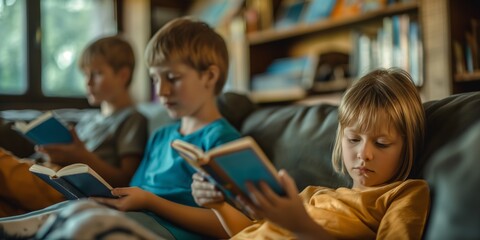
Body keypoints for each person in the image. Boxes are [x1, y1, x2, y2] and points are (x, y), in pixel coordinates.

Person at [0, 17, 241, 240]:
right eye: (155, 79)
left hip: (164, 232)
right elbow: (133, 191)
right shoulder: (161, 136)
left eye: (173, 78)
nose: (161, 91)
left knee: (83, 220)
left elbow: (237, 225)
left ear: (209, 77)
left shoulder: (223, 141)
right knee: (66, 210)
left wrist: (151, 202)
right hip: (130, 218)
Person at [191, 68, 430, 239]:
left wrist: (301, 226)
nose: (364, 154)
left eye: (381, 143)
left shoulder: (403, 195)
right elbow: (251, 232)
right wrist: (219, 206)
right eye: (354, 139)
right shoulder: (313, 195)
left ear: (407, 146)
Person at [0, 35, 148, 217]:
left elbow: (127, 179)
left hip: (67, 188)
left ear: (123, 75)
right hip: (44, 172)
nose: (88, 82)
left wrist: (83, 157)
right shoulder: (89, 118)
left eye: (97, 73)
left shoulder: (132, 119)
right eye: (86, 74)